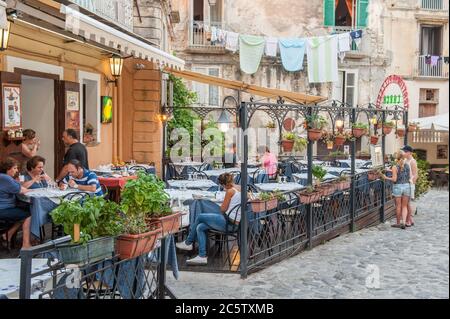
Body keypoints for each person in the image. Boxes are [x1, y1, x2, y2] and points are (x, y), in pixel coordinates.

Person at [176, 173, 241, 265]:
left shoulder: (230, 191)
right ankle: (202, 256)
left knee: (200, 216)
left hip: (229, 224)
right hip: (236, 222)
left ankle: (188, 242)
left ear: (223, 184)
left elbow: (222, 209)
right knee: (200, 227)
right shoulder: (240, 188)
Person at [0, 157, 32, 248]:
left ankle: (8, 235)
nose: (17, 170)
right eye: (14, 168)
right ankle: (26, 244)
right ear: (7, 168)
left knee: (25, 211)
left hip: (5, 208)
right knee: (28, 214)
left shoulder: (4, 177)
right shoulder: (5, 178)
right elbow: (22, 190)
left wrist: (17, 184)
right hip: (3, 209)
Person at [381, 151, 411, 230]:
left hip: (398, 186)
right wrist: (390, 171)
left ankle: (398, 223)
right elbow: (407, 175)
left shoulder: (395, 166)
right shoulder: (407, 165)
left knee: (398, 206)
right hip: (407, 186)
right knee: (404, 206)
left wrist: (385, 177)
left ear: (396, 158)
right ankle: (404, 222)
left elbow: (394, 179)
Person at [401, 145, 418, 227]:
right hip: (404, 184)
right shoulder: (404, 160)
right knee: (406, 203)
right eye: (403, 151)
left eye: (405, 152)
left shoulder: (412, 161)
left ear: (410, 152)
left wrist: (411, 184)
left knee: (407, 203)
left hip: (409, 184)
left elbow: (415, 175)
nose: (403, 153)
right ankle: (410, 220)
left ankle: (409, 220)